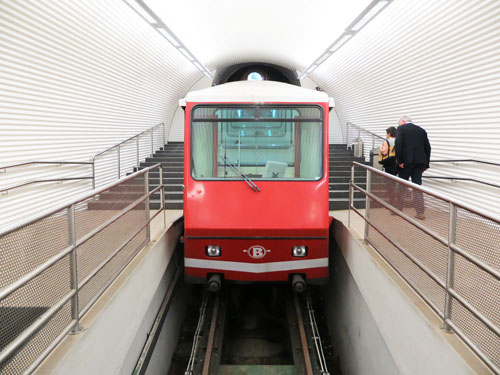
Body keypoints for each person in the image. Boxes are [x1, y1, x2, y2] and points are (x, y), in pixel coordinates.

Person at [395, 115, 431, 220]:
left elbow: (398, 144)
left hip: (406, 163)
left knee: (402, 185)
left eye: (399, 123)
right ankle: (420, 212)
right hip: (419, 163)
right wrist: (426, 164)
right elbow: (427, 147)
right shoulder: (421, 130)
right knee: (417, 187)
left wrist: (400, 161)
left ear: (403, 122)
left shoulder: (401, 128)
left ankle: (398, 209)